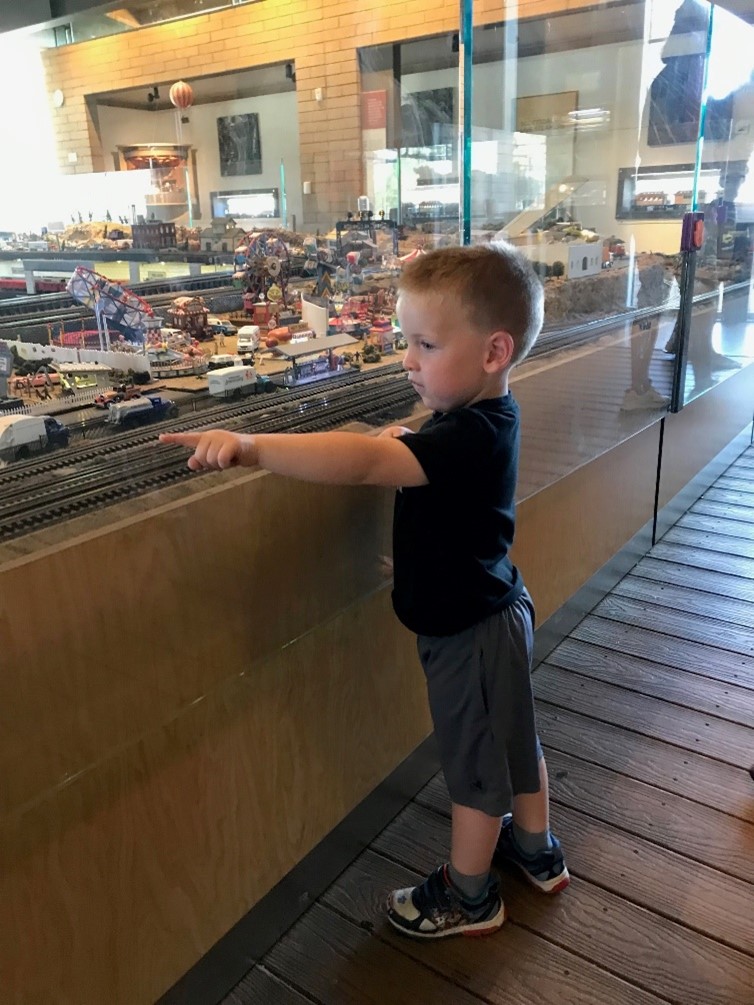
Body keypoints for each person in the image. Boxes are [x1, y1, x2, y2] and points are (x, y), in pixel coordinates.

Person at [159, 244, 569, 940]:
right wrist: (416, 541)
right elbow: (453, 500)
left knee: (474, 770)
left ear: (494, 351)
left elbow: (363, 466)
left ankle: (470, 896)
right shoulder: (488, 418)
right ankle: (536, 850)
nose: (407, 358)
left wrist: (253, 445)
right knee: (516, 740)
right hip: (498, 606)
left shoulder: (456, 438)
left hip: (467, 634)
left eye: (425, 343)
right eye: (405, 340)